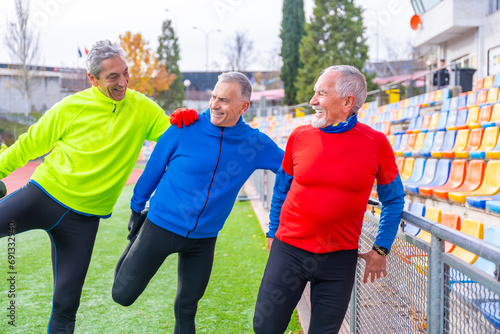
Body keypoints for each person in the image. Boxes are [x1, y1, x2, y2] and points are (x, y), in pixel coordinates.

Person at [0, 40, 196, 333]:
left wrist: (189, 122)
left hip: (83, 221)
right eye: (113, 77)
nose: (123, 82)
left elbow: (176, 138)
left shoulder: (142, 108)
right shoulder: (70, 107)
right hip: (42, 196)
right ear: (92, 79)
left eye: (125, 73)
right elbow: (27, 146)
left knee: (66, 306)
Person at [112, 72, 285, 333]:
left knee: (187, 307)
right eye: (214, 96)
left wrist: (277, 224)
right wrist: (137, 208)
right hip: (160, 225)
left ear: (243, 106)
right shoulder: (184, 128)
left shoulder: (255, 143)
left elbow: (290, 170)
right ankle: (135, 244)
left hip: (203, 239)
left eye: (224, 100)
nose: (214, 104)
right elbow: (153, 171)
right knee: (122, 295)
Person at [253, 65, 406, 334]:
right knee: (265, 327)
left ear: (347, 102)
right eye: (315, 93)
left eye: (321, 94)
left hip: (338, 260)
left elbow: (393, 200)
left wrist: (381, 248)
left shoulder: (376, 143)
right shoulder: (299, 136)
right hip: (289, 251)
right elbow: (281, 188)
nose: (313, 101)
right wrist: (273, 231)